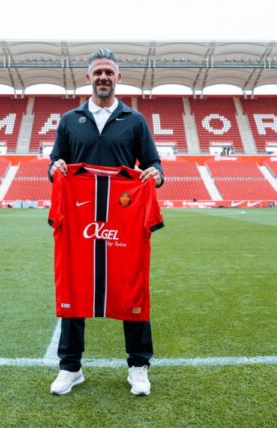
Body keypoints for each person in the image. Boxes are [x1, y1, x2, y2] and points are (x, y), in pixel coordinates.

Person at [48, 48, 164, 396]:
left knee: (131, 285)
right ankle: (70, 367)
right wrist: (55, 169)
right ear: (88, 78)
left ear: (117, 78)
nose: (103, 78)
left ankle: (138, 365)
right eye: (98, 72)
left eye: (109, 73)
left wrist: (155, 175)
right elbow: (55, 162)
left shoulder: (135, 120)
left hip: (123, 218)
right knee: (75, 285)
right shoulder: (70, 120)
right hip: (81, 215)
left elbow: (155, 164)